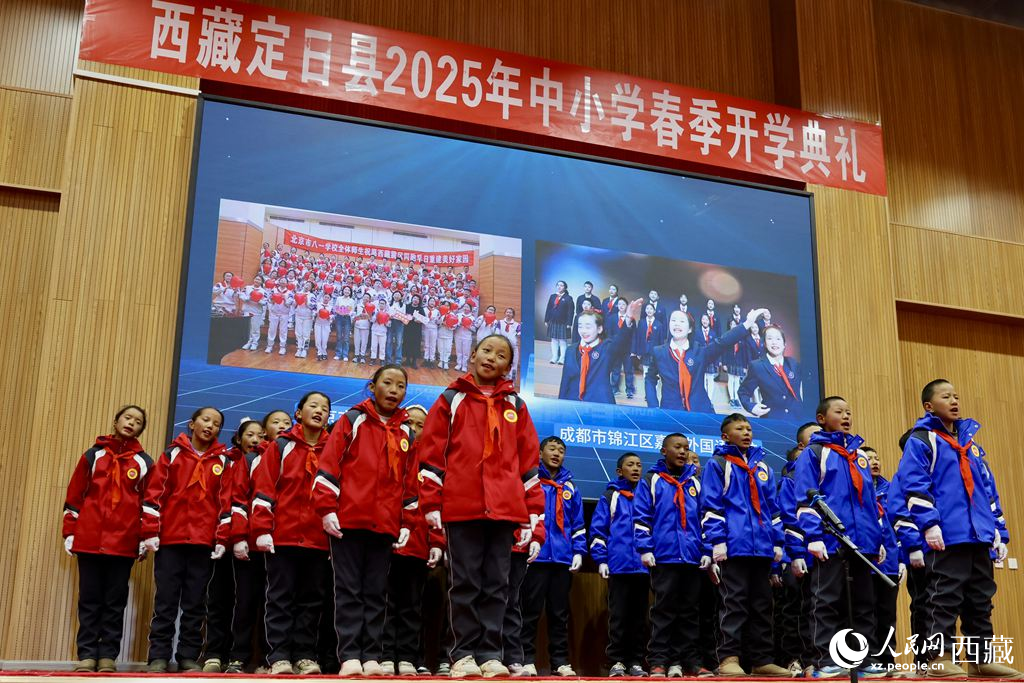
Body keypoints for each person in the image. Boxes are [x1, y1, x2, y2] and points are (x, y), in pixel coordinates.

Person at [417, 334, 543, 678]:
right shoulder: (450, 399)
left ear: (508, 366)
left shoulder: (516, 406)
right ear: (473, 355)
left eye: (501, 355)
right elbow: (431, 456)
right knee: (466, 583)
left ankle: (491, 653)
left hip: (505, 510)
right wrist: (431, 503)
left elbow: (529, 463)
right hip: (462, 508)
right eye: (486, 350)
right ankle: (462, 655)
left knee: (497, 585)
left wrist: (532, 512)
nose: (492, 357)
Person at [895, 379, 1017, 678]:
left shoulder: (971, 446)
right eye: (945, 396)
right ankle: (940, 656)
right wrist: (929, 525)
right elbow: (913, 484)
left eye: (956, 396)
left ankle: (981, 658)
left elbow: (988, 491)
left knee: (980, 598)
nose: (954, 401)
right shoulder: (922, 439)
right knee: (944, 596)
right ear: (928, 405)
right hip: (947, 535)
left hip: (978, 534)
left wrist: (998, 531)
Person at [314, 367, 421, 676]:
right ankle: (349, 656)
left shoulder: (406, 432)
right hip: (347, 521)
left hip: (385, 525)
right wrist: (327, 509)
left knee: (376, 592)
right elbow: (330, 463)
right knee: (349, 591)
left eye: (401, 386)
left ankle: (371, 656)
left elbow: (410, 484)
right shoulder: (352, 420)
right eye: (387, 383)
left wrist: (406, 522)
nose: (394, 390)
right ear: (372, 386)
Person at [792, 397, 886, 678]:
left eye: (849, 412)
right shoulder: (815, 452)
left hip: (862, 542)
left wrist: (876, 538)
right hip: (829, 540)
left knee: (863, 604)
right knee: (826, 601)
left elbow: (870, 501)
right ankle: (825, 659)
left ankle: (862, 659)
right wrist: (813, 536)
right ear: (822, 418)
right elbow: (805, 497)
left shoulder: (858, 455)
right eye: (839, 412)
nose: (846, 416)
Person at [63, 405, 152, 673]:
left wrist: (144, 537)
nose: (131, 423)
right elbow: (75, 495)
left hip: (123, 544)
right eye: (127, 418)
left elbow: (149, 503)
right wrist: (70, 531)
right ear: (115, 421)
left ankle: (107, 657)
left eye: (137, 421)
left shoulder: (144, 462)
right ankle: (87, 655)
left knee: (115, 602)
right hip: (89, 540)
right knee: (89, 599)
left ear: (140, 430)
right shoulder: (93, 455)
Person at [142, 407, 230, 673]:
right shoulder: (172, 455)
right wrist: (150, 532)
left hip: (203, 544)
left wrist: (221, 538)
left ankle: (188, 656)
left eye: (216, 424)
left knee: (195, 603)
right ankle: (158, 656)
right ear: (192, 424)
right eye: (205, 420)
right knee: (166, 601)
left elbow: (225, 503)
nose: (210, 426)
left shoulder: (224, 461)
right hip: (171, 540)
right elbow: (154, 496)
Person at [701, 414, 790, 677]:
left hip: (762, 547)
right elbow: (711, 506)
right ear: (725, 436)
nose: (746, 431)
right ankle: (729, 658)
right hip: (734, 546)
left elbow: (773, 510)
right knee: (734, 603)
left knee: (763, 605)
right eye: (739, 428)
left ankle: (761, 659)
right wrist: (718, 541)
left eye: (749, 428)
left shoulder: (763, 467)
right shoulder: (717, 464)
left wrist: (777, 543)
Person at [251, 392, 333, 675]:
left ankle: (305, 655)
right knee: (280, 598)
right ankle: (279, 656)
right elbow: (264, 487)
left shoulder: (334, 448)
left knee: (311, 600)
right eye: (313, 406)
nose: (319, 411)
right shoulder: (281, 446)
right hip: (283, 536)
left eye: (325, 408)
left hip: (318, 540)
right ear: (298, 413)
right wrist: (262, 528)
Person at [633, 434, 707, 677]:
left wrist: (706, 551)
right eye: (678, 447)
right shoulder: (652, 480)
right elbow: (642, 517)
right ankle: (659, 661)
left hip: (692, 557)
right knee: (663, 611)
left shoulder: (695, 482)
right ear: (664, 451)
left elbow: (705, 518)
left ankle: (691, 662)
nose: (683, 452)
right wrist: (645, 548)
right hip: (664, 556)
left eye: (687, 448)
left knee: (690, 613)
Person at [378, 405, 444, 676]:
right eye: (411, 424)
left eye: (421, 425)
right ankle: (383, 655)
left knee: (411, 606)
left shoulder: (433, 463)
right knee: (385, 604)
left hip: (417, 547)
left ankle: (407, 657)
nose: (415, 430)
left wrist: (437, 542)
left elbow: (439, 506)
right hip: (386, 542)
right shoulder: (388, 452)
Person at [225, 411, 291, 674]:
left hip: (283, 545)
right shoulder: (252, 458)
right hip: (251, 545)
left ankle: (269, 658)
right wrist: (240, 537)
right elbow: (239, 499)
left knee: (275, 602)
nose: (282, 426)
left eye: (287, 423)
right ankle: (238, 657)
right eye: (276, 422)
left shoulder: (292, 454)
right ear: (265, 430)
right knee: (246, 601)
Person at [521, 437, 586, 677]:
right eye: (552, 449)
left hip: (562, 559)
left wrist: (578, 551)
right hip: (535, 558)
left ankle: (560, 662)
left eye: (561, 450)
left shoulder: (570, 488)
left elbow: (577, 524)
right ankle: (525, 659)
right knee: (529, 611)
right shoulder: (532, 481)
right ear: (540, 452)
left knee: (559, 615)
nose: (557, 454)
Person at [203, 419, 261, 672]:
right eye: (250, 434)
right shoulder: (224, 462)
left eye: (260, 435)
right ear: (238, 438)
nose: (256, 439)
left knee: (246, 602)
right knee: (219, 599)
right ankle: (214, 653)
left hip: (249, 544)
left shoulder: (264, 462)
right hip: (220, 541)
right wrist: (223, 535)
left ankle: (240, 656)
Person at [590, 453, 649, 677]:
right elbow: (598, 530)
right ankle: (616, 661)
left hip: (643, 568)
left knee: (639, 617)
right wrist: (601, 559)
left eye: (639, 465)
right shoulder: (610, 496)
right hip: (619, 566)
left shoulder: (647, 495)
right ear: (619, 471)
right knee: (619, 616)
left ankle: (635, 660)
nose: (636, 468)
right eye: (630, 465)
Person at [645, 308, 767, 413]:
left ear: (690, 329)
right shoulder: (659, 352)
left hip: (700, 411)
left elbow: (723, 342)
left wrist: (747, 324)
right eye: (673, 320)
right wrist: (653, 406)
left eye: (682, 321)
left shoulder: (700, 352)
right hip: (670, 411)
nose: (677, 324)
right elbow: (650, 378)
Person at [779, 422, 821, 677]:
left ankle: (819, 658)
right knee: (795, 609)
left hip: (827, 553)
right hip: (799, 552)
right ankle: (794, 658)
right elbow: (789, 518)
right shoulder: (792, 478)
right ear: (802, 446)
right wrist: (795, 553)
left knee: (820, 609)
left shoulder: (832, 471)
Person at [865, 447, 903, 674]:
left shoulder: (891, 491)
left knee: (888, 615)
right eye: (868, 459)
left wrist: (902, 560)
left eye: (876, 457)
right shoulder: (856, 490)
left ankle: (888, 662)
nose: (874, 462)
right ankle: (868, 661)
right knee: (866, 614)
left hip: (889, 562)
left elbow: (900, 525)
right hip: (866, 563)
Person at [558, 302, 642, 404]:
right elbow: (565, 382)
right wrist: (560, 406)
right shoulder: (571, 350)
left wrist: (628, 317)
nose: (583, 331)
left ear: (599, 329)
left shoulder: (607, 348)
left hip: (600, 405)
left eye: (588, 327)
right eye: (580, 326)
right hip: (573, 404)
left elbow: (621, 338)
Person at [739, 325, 803, 419]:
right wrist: (751, 407)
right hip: (772, 419)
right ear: (764, 343)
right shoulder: (757, 366)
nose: (774, 342)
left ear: (784, 344)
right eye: (769, 339)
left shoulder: (793, 363)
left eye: (778, 339)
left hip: (797, 419)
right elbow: (743, 391)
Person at [544, 281, 574, 365]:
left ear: (565, 287)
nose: (559, 287)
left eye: (562, 285)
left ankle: (562, 358)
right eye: (558, 285)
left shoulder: (568, 298)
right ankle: (554, 357)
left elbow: (571, 311)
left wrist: (569, 323)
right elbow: (548, 308)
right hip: (553, 321)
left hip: (563, 322)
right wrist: (546, 319)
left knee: (562, 341)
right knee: (553, 340)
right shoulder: (553, 296)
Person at [265, 282, 294, 355]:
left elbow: (289, 304)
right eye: (281, 280)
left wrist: (284, 299)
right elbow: (269, 300)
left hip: (284, 314)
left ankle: (282, 347)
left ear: (287, 283)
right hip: (274, 313)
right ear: (279, 282)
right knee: (272, 330)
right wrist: (273, 299)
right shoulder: (274, 290)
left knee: (283, 331)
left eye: (284, 281)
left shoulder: (289, 292)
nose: (283, 282)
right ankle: (269, 345)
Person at [240, 276, 267, 351]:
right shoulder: (247, 287)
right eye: (256, 279)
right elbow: (241, 295)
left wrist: (257, 300)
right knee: (247, 328)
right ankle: (248, 342)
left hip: (256, 311)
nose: (257, 280)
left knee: (255, 329)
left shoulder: (263, 291)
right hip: (247, 310)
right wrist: (248, 298)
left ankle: (255, 343)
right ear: (253, 279)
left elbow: (265, 302)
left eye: (259, 280)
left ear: (261, 282)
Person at [332, 285, 356, 361]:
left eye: (348, 290)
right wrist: (340, 311)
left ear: (350, 292)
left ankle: (345, 355)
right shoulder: (339, 298)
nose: (347, 291)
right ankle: (338, 354)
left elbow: (351, 311)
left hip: (347, 319)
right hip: (339, 318)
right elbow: (336, 308)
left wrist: (346, 312)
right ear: (343, 291)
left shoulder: (352, 301)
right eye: (345, 289)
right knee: (339, 337)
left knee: (346, 338)